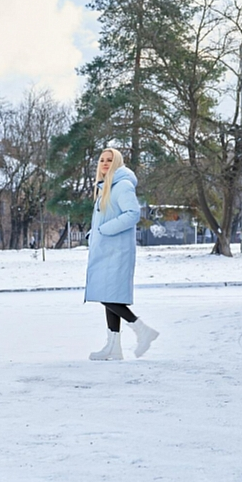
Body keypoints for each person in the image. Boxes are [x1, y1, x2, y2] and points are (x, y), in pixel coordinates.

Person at [85, 148, 159, 360]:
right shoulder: (106, 187)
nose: (105, 163)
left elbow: (133, 214)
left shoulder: (122, 186)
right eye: (102, 160)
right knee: (109, 295)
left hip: (116, 252)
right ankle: (113, 347)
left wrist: (104, 230)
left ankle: (142, 330)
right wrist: (94, 234)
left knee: (106, 296)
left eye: (110, 160)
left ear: (117, 163)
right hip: (106, 250)